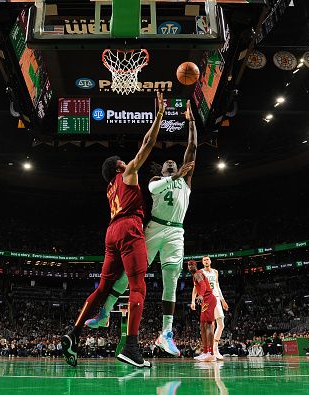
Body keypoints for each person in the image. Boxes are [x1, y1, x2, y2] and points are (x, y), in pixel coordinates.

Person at [61, 92, 169, 369]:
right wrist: (159, 115)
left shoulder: (110, 188)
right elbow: (148, 143)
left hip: (111, 232)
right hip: (130, 227)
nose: (126, 160)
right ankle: (131, 347)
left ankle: (74, 332)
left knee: (103, 287)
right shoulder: (128, 174)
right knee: (138, 287)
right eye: (122, 159)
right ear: (118, 166)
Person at [85, 100, 198, 357]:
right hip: (154, 228)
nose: (171, 162)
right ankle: (105, 312)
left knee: (171, 281)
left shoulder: (186, 179)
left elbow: (191, 147)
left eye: (174, 162)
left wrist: (191, 122)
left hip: (176, 232)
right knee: (128, 273)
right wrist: (176, 175)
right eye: (168, 163)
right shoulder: (156, 180)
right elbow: (154, 188)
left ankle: (165, 334)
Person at [191, 256, 228, 360]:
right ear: (202, 263)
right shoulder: (200, 272)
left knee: (221, 324)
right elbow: (195, 288)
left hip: (215, 297)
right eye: (204, 260)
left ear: (210, 261)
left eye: (208, 259)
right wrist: (193, 300)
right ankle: (211, 351)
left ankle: (214, 349)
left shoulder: (215, 272)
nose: (206, 261)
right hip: (206, 299)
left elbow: (217, 286)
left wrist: (222, 299)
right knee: (209, 324)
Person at [187, 260, 217, 362]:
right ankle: (205, 352)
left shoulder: (198, 273)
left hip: (208, 298)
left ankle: (211, 353)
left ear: (196, 266)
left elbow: (203, 286)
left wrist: (200, 295)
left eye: (192, 265)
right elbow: (197, 288)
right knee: (202, 326)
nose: (190, 267)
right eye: (189, 266)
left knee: (208, 325)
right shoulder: (195, 275)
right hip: (205, 300)